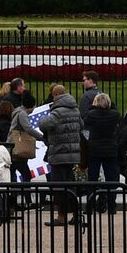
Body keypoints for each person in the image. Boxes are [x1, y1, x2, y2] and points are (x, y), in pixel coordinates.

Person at [39, 83, 81, 224]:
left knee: (58, 187)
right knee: (71, 186)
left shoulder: (57, 112)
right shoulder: (75, 110)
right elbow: (81, 125)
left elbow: (44, 124)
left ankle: (61, 216)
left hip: (59, 153)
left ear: (56, 95)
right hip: (73, 153)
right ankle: (76, 215)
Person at [85, 93, 121, 210]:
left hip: (95, 149)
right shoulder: (115, 114)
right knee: (111, 178)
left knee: (92, 178)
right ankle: (112, 205)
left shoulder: (92, 114)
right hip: (110, 149)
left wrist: (92, 107)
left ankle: (90, 205)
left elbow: (86, 122)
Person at [9, 91, 44, 186]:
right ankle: (26, 197)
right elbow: (28, 129)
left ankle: (13, 196)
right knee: (26, 175)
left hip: (12, 146)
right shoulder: (22, 114)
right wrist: (41, 137)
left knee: (12, 173)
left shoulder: (18, 111)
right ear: (31, 106)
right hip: (17, 148)